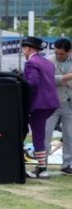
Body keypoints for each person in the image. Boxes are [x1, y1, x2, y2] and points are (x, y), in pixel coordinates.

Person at [21, 36, 59, 178]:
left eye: (23, 48)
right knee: (39, 134)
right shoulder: (48, 62)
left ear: (28, 48)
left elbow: (33, 83)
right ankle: (41, 167)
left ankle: (42, 168)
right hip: (51, 103)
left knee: (38, 135)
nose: (22, 50)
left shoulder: (31, 62)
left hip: (38, 104)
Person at [44, 38, 72, 174]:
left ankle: (67, 164)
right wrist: (66, 77)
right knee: (45, 133)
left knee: (70, 135)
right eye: (56, 52)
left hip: (69, 104)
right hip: (52, 104)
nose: (58, 55)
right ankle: (42, 163)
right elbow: (48, 80)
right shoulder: (49, 61)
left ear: (69, 51)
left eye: (61, 53)